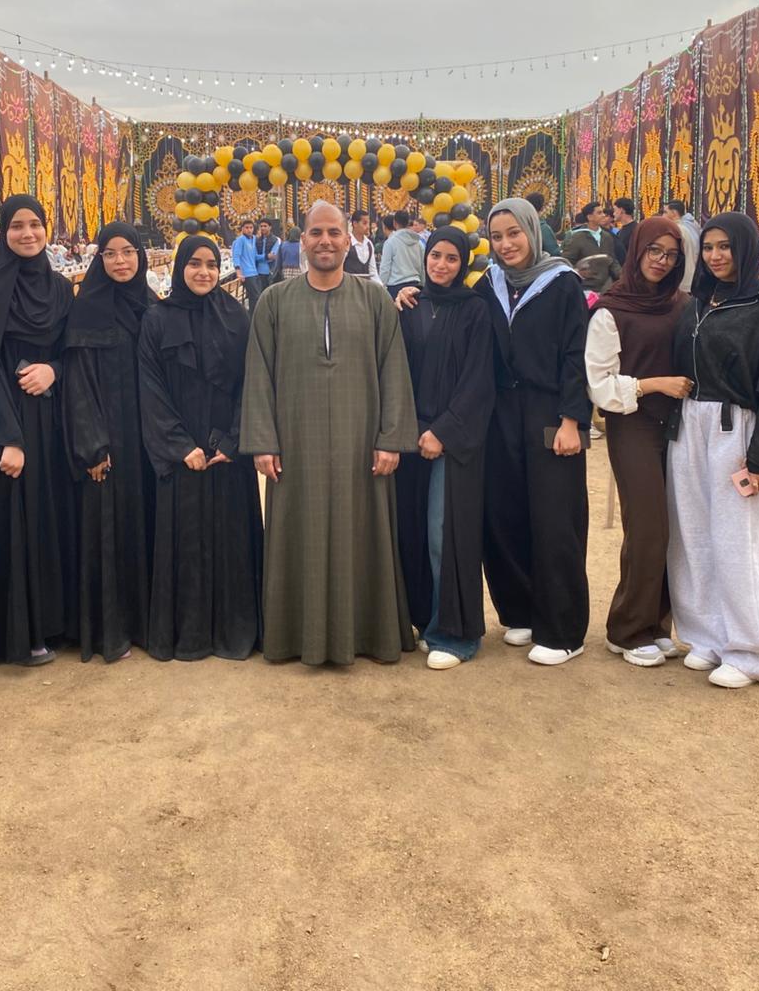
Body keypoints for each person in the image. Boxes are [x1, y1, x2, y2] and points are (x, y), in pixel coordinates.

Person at [241, 200, 419, 665]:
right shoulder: (273, 302)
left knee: (364, 532)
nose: (325, 241)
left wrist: (390, 438)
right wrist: (263, 442)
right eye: (316, 233)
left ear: (348, 240)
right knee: (297, 533)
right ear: (303, 240)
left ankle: (368, 634)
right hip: (295, 446)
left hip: (363, 446)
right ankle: (293, 637)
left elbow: (394, 371)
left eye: (334, 233)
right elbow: (258, 375)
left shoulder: (374, 300)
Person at [667, 212, 759, 688]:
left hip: (737, 430)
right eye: (708, 247)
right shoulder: (699, 301)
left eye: (725, 246)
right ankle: (707, 634)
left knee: (738, 541)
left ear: (744, 249)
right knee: (694, 535)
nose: (715, 256)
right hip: (691, 426)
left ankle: (751, 649)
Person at [0, 195, 76, 666]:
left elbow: (73, 351)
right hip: (6, 419)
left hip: (51, 418)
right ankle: (19, 633)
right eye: (17, 226)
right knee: (14, 520)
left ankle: (53, 623)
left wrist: (53, 370)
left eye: (35, 224)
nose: (27, 234)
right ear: (3, 232)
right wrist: (7, 435)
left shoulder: (61, 289)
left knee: (51, 515)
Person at [139, 235, 262, 660]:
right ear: (180, 268)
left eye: (211, 264)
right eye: (194, 263)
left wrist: (234, 439)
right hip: (183, 453)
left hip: (226, 450)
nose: (204, 272)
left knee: (231, 540)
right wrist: (179, 445)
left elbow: (252, 381)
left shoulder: (236, 316)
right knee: (185, 541)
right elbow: (150, 387)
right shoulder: (157, 320)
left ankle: (233, 631)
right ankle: (188, 634)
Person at [483, 198, 591, 665]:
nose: (506, 244)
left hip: (550, 412)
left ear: (532, 231)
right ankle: (521, 610)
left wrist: (572, 420)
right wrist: (407, 296)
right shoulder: (489, 285)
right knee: (505, 512)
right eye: (497, 236)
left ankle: (564, 630)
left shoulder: (562, 283)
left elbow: (576, 355)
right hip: (502, 413)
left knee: (554, 516)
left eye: (514, 233)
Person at [585, 216, 692, 667]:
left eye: (671, 254)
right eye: (654, 251)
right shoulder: (612, 310)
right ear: (637, 251)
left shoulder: (682, 304)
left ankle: (655, 624)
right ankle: (626, 629)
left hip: (679, 427)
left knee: (674, 528)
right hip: (633, 426)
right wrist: (655, 384)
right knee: (647, 527)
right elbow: (600, 385)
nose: (661, 261)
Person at [395, 228, 494, 668]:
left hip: (454, 443)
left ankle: (455, 634)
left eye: (452, 258)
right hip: (411, 438)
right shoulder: (410, 306)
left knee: (444, 533)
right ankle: (425, 618)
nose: (441, 265)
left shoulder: (475, 310)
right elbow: (396, 371)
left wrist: (443, 432)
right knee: (412, 530)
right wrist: (415, 428)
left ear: (463, 264)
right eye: (436, 255)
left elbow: (478, 379)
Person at [62, 222, 155, 663]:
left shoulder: (152, 305)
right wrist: (93, 445)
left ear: (140, 255)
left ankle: (147, 623)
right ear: (99, 259)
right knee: (110, 529)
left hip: (148, 441)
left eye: (128, 252)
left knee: (146, 525)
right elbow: (78, 382)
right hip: (109, 443)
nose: (121, 261)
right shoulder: (88, 309)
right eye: (111, 253)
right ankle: (111, 631)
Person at [560, 203, 621, 290]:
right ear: (590, 217)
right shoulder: (577, 237)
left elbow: (612, 260)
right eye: (599, 213)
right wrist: (578, 272)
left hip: (605, 287)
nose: (603, 215)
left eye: (603, 212)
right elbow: (566, 262)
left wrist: (622, 276)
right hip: (585, 287)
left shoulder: (607, 236)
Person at [379, 209, 425, 297]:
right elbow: (422, 267)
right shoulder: (418, 243)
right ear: (408, 222)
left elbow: (385, 268)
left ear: (394, 223)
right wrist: (422, 285)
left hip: (396, 287)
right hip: (415, 286)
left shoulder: (390, 242)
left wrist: (381, 287)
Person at [664, 201, 700, 292]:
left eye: (665, 212)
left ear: (674, 213)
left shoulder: (677, 229)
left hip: (683, 279)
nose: (663, 216)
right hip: (694, 276)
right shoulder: (693, 224)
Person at [232, 220, 261, 312]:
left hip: (255, 272)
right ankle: (253, 317)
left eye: (251, 228)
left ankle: (252, 317)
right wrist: (239, 272)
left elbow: (255, 256)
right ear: (242, 229)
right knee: (255, 297)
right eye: (247, 228)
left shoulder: (254, 239)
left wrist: (267, 256)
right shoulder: (240, 240)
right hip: (246, 274)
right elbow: (236, 256)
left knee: (256, 297)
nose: (249, 230)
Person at [345, 210, 381, 281]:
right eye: (364, 223)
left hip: (365, 286)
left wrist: (381, 286)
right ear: (355, 224)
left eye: (368, 223)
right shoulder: (347, 242)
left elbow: (373, 271)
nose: (368, 227)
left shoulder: (369, 244)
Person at [255, 218, 279, 287]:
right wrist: (266, 256)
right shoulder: (257, 241)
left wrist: (261, 257)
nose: (263, 228)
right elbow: (255, 257)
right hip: (258, 273)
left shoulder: (275, 240)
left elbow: (273, 256)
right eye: (261, 226)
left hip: (271, 272)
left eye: (265, 226)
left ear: (270, 227)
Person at [612, 198, 636, 265]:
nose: (613, 214)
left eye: (615, 210)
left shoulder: (636, 229)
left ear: (621, 210)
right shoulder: (620, 231)